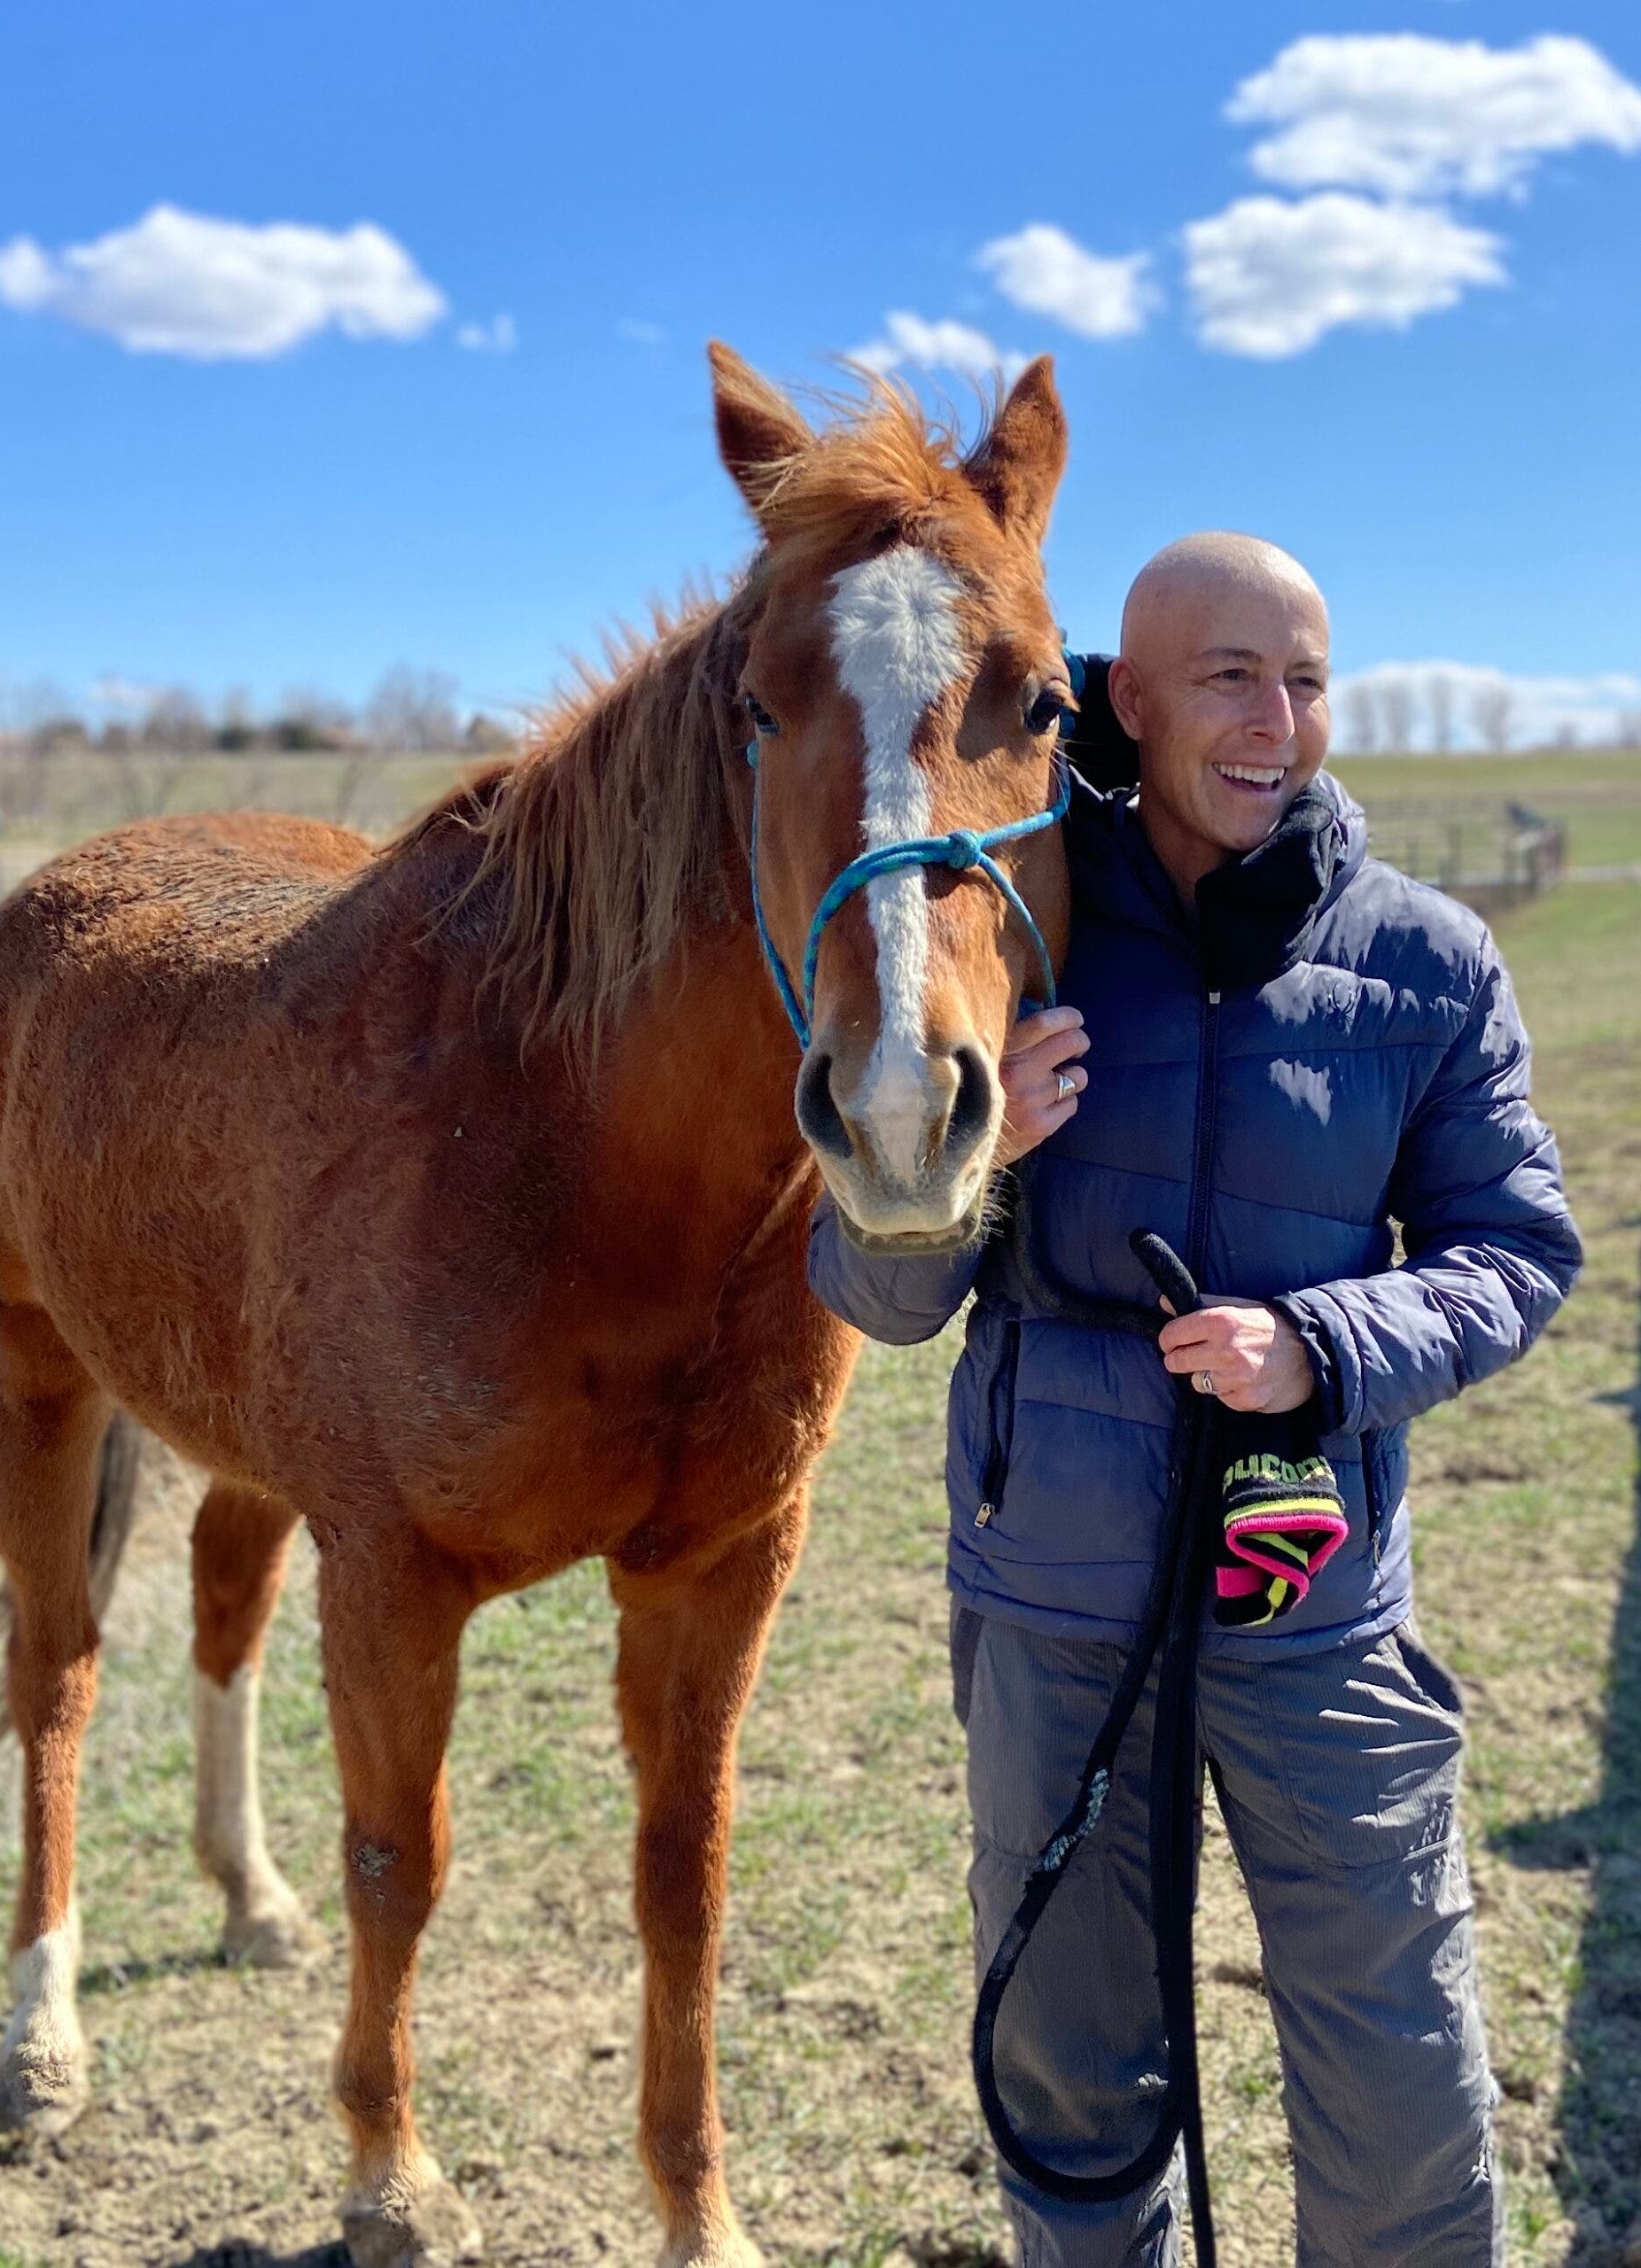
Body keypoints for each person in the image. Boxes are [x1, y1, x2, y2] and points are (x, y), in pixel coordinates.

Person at [807, 532, 1581, 2266]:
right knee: (1069, 2082)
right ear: (1131, 700)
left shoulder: (1426, 963)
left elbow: (1516, 1248)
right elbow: (872, 1294)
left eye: (1305, 678)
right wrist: (965, 1155)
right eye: (1231, 676)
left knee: (1403, 2093)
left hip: (1311, 1600)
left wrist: (1327, 1343)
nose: (1276, 719)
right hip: (1057, 1608)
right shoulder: (1011, 934)